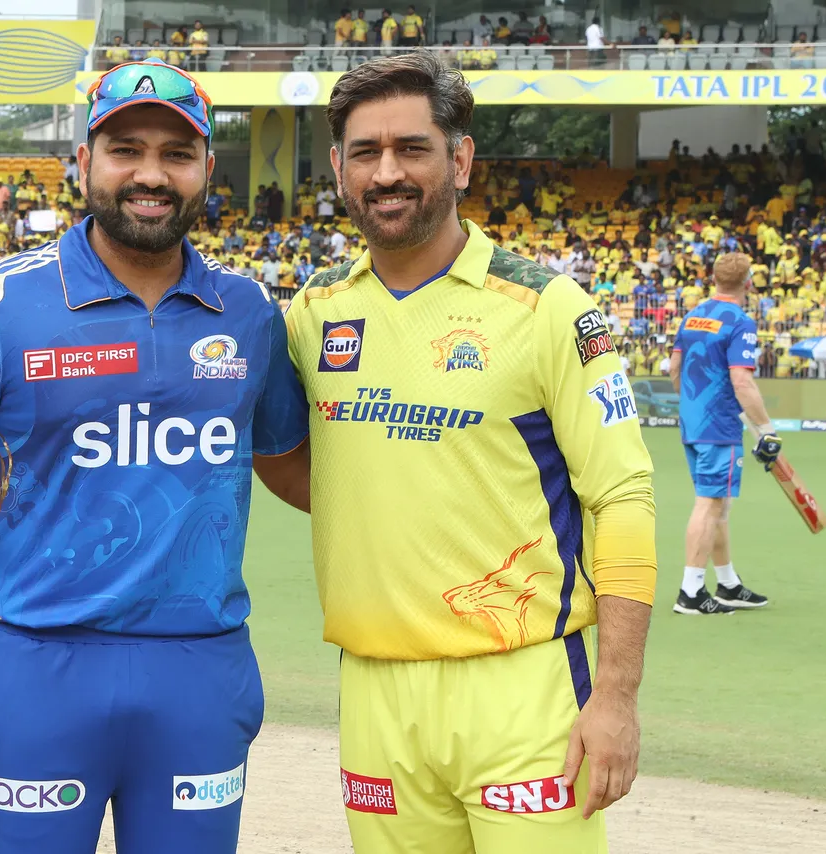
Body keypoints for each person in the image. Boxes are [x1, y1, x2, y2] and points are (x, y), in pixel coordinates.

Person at [0, 57, 308, 854]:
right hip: (37, 667)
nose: (151, 174)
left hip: (200, 672)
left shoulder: (249, 313)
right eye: (125, 150)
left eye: (176, 154)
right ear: (84, 163)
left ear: (207, 169)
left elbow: (292, 466)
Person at [267, 51, 655, 853]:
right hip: (374, 689)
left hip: (523, 686)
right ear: (338, 169)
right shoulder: (313, 312)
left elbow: (622, 500)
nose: (387, 172)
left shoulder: (548, 308)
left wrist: (616, 696)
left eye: (412, 148)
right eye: (366, 152)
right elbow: (290, 455)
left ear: (461, 159)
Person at [669, 252, 774, 614]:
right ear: (749, 284)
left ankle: (727, 584)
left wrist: (691, 406)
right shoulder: (741, 322)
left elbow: (675, 367)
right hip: (719, 425)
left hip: (692, 421)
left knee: (719, 504)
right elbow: (742, 381)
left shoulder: (692, 315)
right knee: (710, 503)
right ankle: (691, 592)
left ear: (713, 279)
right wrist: (766, 430)